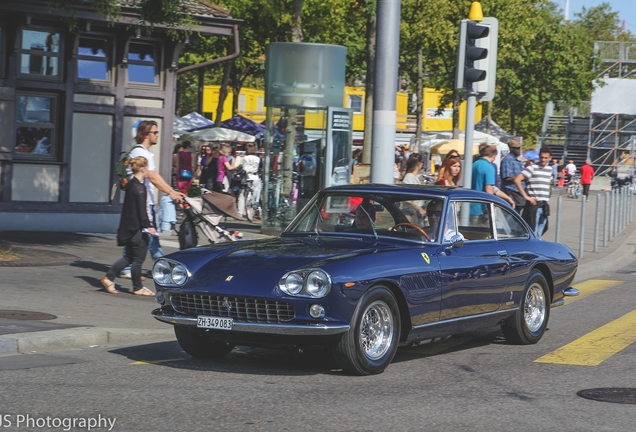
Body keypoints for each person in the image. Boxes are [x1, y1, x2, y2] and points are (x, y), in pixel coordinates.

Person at [119, 120, 182, 279]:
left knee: (138, 236)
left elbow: (153, 176)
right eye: (155, 132)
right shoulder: (140, 153)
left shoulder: (144, 153)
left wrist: (170, 191)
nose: (157, 135)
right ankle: (164, 270)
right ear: (146, 134)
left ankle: (128, 267)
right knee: (152, 237)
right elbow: (153, 177)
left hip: (143, 202)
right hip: (142, 204)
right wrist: (171, 192)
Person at [101, 156, 156, 296]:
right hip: (136, 228)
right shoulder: (140, 187)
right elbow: (141, 209)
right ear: (143, 169)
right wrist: (148, 225)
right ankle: (138, 287)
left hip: (128, 227)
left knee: (129, 258)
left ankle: (108, 278)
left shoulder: (131, 184)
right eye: (147, 168)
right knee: (138, 259)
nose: (148, 171)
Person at [513, 146, 554, 237]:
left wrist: (547, 198)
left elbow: (548, 184)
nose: (543, 160)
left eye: (546, 158)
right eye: (541, 157)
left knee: (540, 233)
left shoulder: (550, 169)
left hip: (544, 205)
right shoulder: (532, 168)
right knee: (533, 233)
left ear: (550, 158)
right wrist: (526, 196)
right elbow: (517, 180)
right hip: (534, 204)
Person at [500, 139, 526, 213]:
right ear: (511, 149)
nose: (519, 150)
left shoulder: (517, 160)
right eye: (517, 148)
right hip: (512, 190)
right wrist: (521, 177)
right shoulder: (507, 160)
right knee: (512, 212)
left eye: (519, 148)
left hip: (518, 190)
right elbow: (506, 177)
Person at [238, 143, 262, 217]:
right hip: (255, 177)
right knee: (254, 195)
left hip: (247, 177)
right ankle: (252, 212)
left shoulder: (244, 158)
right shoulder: (258, 159)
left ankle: (240, 212)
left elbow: (241, 167)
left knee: (242, 195)